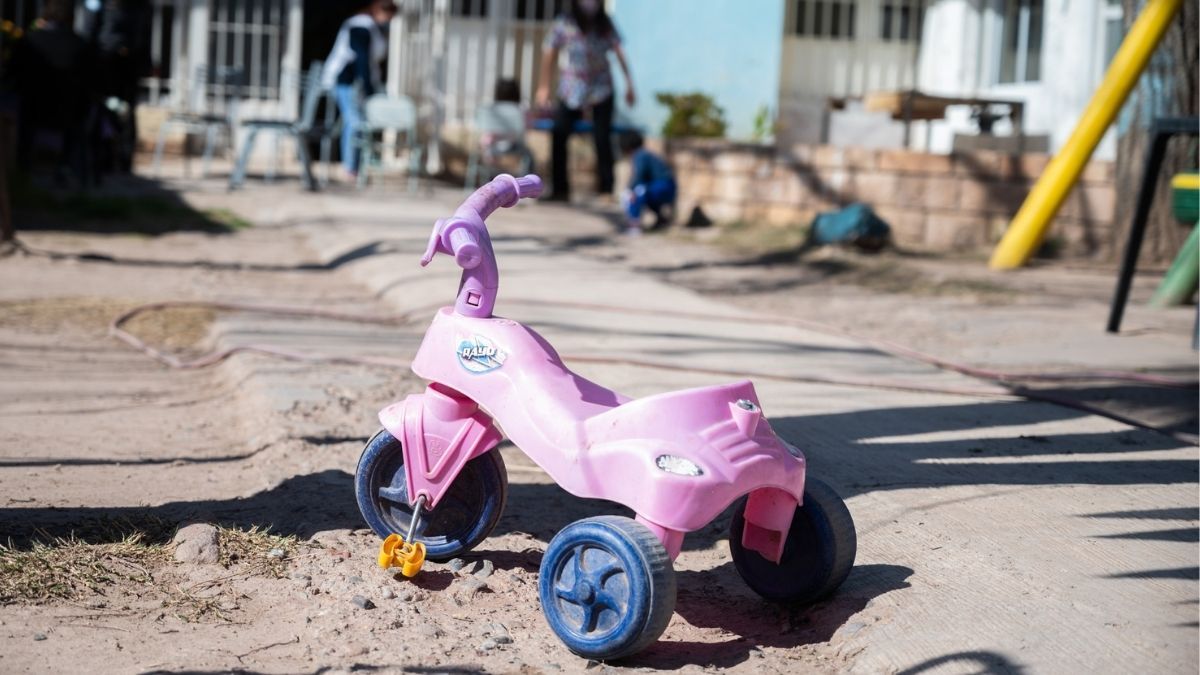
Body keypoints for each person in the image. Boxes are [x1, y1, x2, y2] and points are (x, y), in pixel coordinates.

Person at [535, 0, 635, 202]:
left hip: (601, 88)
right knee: (559, 133)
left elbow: (619, 52)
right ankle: (560, 189)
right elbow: (549, 53)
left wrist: (629, 84)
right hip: (572, 88)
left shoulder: (605, 24)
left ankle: (606, 189)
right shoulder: (565, 22)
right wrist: (544, 86)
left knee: (602, 138)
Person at [12, 0, 94, 181]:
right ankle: (67, 166)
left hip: (33, 111)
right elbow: (93, 84)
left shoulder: (29, 42)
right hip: (69, 114)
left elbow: (14, 76)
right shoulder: (80, 46)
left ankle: (22, 167)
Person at [322, 0, 397, 179]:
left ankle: (357, 166)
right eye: (388, 17)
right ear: (380, 11)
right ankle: (350, 168)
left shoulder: (371, 27)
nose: (388, 21)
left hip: (357, 83)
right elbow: (361, 58)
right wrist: (369, 88)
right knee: (354, 122)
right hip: (346, 80)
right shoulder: (360, 25)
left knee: (358, 122)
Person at [83, 0, 150, 173]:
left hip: (127, 65)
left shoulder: (139, 6)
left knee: (126, 112)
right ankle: (104, 158)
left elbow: (144, 34)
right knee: (106, 109)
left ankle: (123, 158)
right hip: (106, 63)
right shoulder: (100, 4)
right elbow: (90, 29)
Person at [618, 131, 675, 236]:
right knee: (645, 196)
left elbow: (639, 175)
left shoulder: (639, 155)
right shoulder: (645, 153)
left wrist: (629, 189)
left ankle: (634, 225)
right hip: (668, 187)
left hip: (662, 186)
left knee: (636, 194)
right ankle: (661, 220)